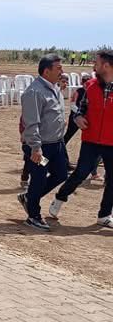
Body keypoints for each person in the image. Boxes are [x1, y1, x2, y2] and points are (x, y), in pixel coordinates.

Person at [49, 50, 113, 229]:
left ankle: (104, 215)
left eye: (97, 63)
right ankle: (60, 198)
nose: (94, 66)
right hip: (91, 140)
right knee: (80, 173)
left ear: (106, 65)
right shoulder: (90, 86)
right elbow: (80, 109)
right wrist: (78, 118)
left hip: (111, 143)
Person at [18, 53, 67, 230]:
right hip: (40, 147)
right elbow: (31, 123)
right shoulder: (34, 92)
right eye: (58, 68)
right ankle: (33, 216)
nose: (62, 71)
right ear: (46, 71)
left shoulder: (54, 87)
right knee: (38, 178)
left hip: (57, 144)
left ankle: (29, 197)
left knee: (61, 174)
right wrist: (36, 148)